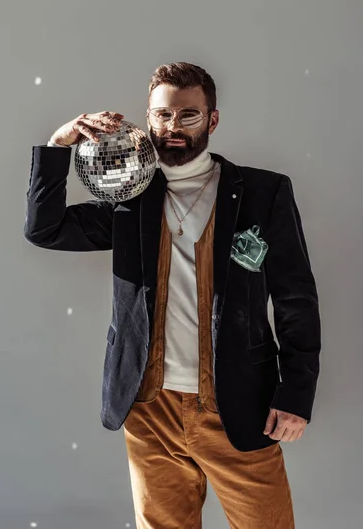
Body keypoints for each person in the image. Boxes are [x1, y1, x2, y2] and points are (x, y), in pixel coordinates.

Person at [24, 62, 321, 528]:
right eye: (162, 115)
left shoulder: (264, 193)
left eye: (189, 115)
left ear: (212, 120)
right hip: (149, 408)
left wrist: (297, 392)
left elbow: (295, 298)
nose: (173, 127)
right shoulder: (129, 197)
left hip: (237, 405)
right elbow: (45, 229)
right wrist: (58, 145)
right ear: (148, 118)